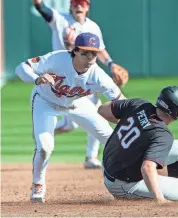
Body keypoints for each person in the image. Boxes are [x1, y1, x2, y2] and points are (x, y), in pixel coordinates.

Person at [15, 32, 126, 203]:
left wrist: (141, 114)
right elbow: (21, 68)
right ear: (75, 51)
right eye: (85, 53)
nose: (90, 57)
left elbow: (122, 102)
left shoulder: (98, 76)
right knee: (45, 147)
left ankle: (121, 181)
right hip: (46, 102)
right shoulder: (57, 59)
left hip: (77, 103)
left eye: (94, 53)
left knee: (112, 139)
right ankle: (38, 184)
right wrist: (36, 79)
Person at [33, 0, 129, 168]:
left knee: (98, 113)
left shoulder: (93, 27)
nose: (79, 6)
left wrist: (111, 64)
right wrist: (38, 3)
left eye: (83, 3)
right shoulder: (60, 19)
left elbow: (100, 50)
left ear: (87, 7)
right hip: (63, 78)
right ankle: (46, 132)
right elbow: (42, 9)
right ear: (70, 6)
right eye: (76, 3)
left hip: (89, 78)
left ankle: (91, 157)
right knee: (71, 125)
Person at [98, 86, 178, 203]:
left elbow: (102, 109)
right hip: (122, 184)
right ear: (177, 114)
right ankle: (175, 188)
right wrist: (160, 199)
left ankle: (175, 181)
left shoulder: (139, 104)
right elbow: (147, 168)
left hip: (109, 163)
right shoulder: (163, 134)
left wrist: (133, 122)